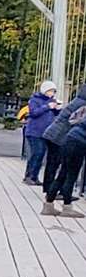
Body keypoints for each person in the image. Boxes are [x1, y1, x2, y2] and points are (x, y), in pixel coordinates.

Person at [42, 84, 86, 216]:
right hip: (79, 142)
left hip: (69, 138)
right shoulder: (82, 103)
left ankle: (48, 204)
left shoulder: (78, 102)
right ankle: (67, 207)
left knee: (63, 173)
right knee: (71, 174)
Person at [25, 80, 60, 184]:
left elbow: (54, 114)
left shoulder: (52, 100)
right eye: (50, 91)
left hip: (45, 132)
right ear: (45, 90)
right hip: (35, 131)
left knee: (40, 154)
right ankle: (30, 176)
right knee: (37, 153)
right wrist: (47, 107)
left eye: (53, 91)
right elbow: (33, 113)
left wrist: (57, 109)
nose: (52, 93)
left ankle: (33, 176)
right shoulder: (34, 100)